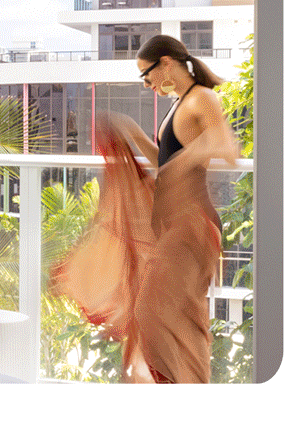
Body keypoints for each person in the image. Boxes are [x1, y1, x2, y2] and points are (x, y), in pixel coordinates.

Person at [54, 35, 241, 383]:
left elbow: (226, 146)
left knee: (158, 314)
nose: (147, 83)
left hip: (192, 224)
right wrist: (131, 132)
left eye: (147, 74)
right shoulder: (179, 102)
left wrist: (181, 166)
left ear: (166, 63)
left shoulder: (203, 97)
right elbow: (163, 161)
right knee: (171, 315)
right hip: (171, 223)